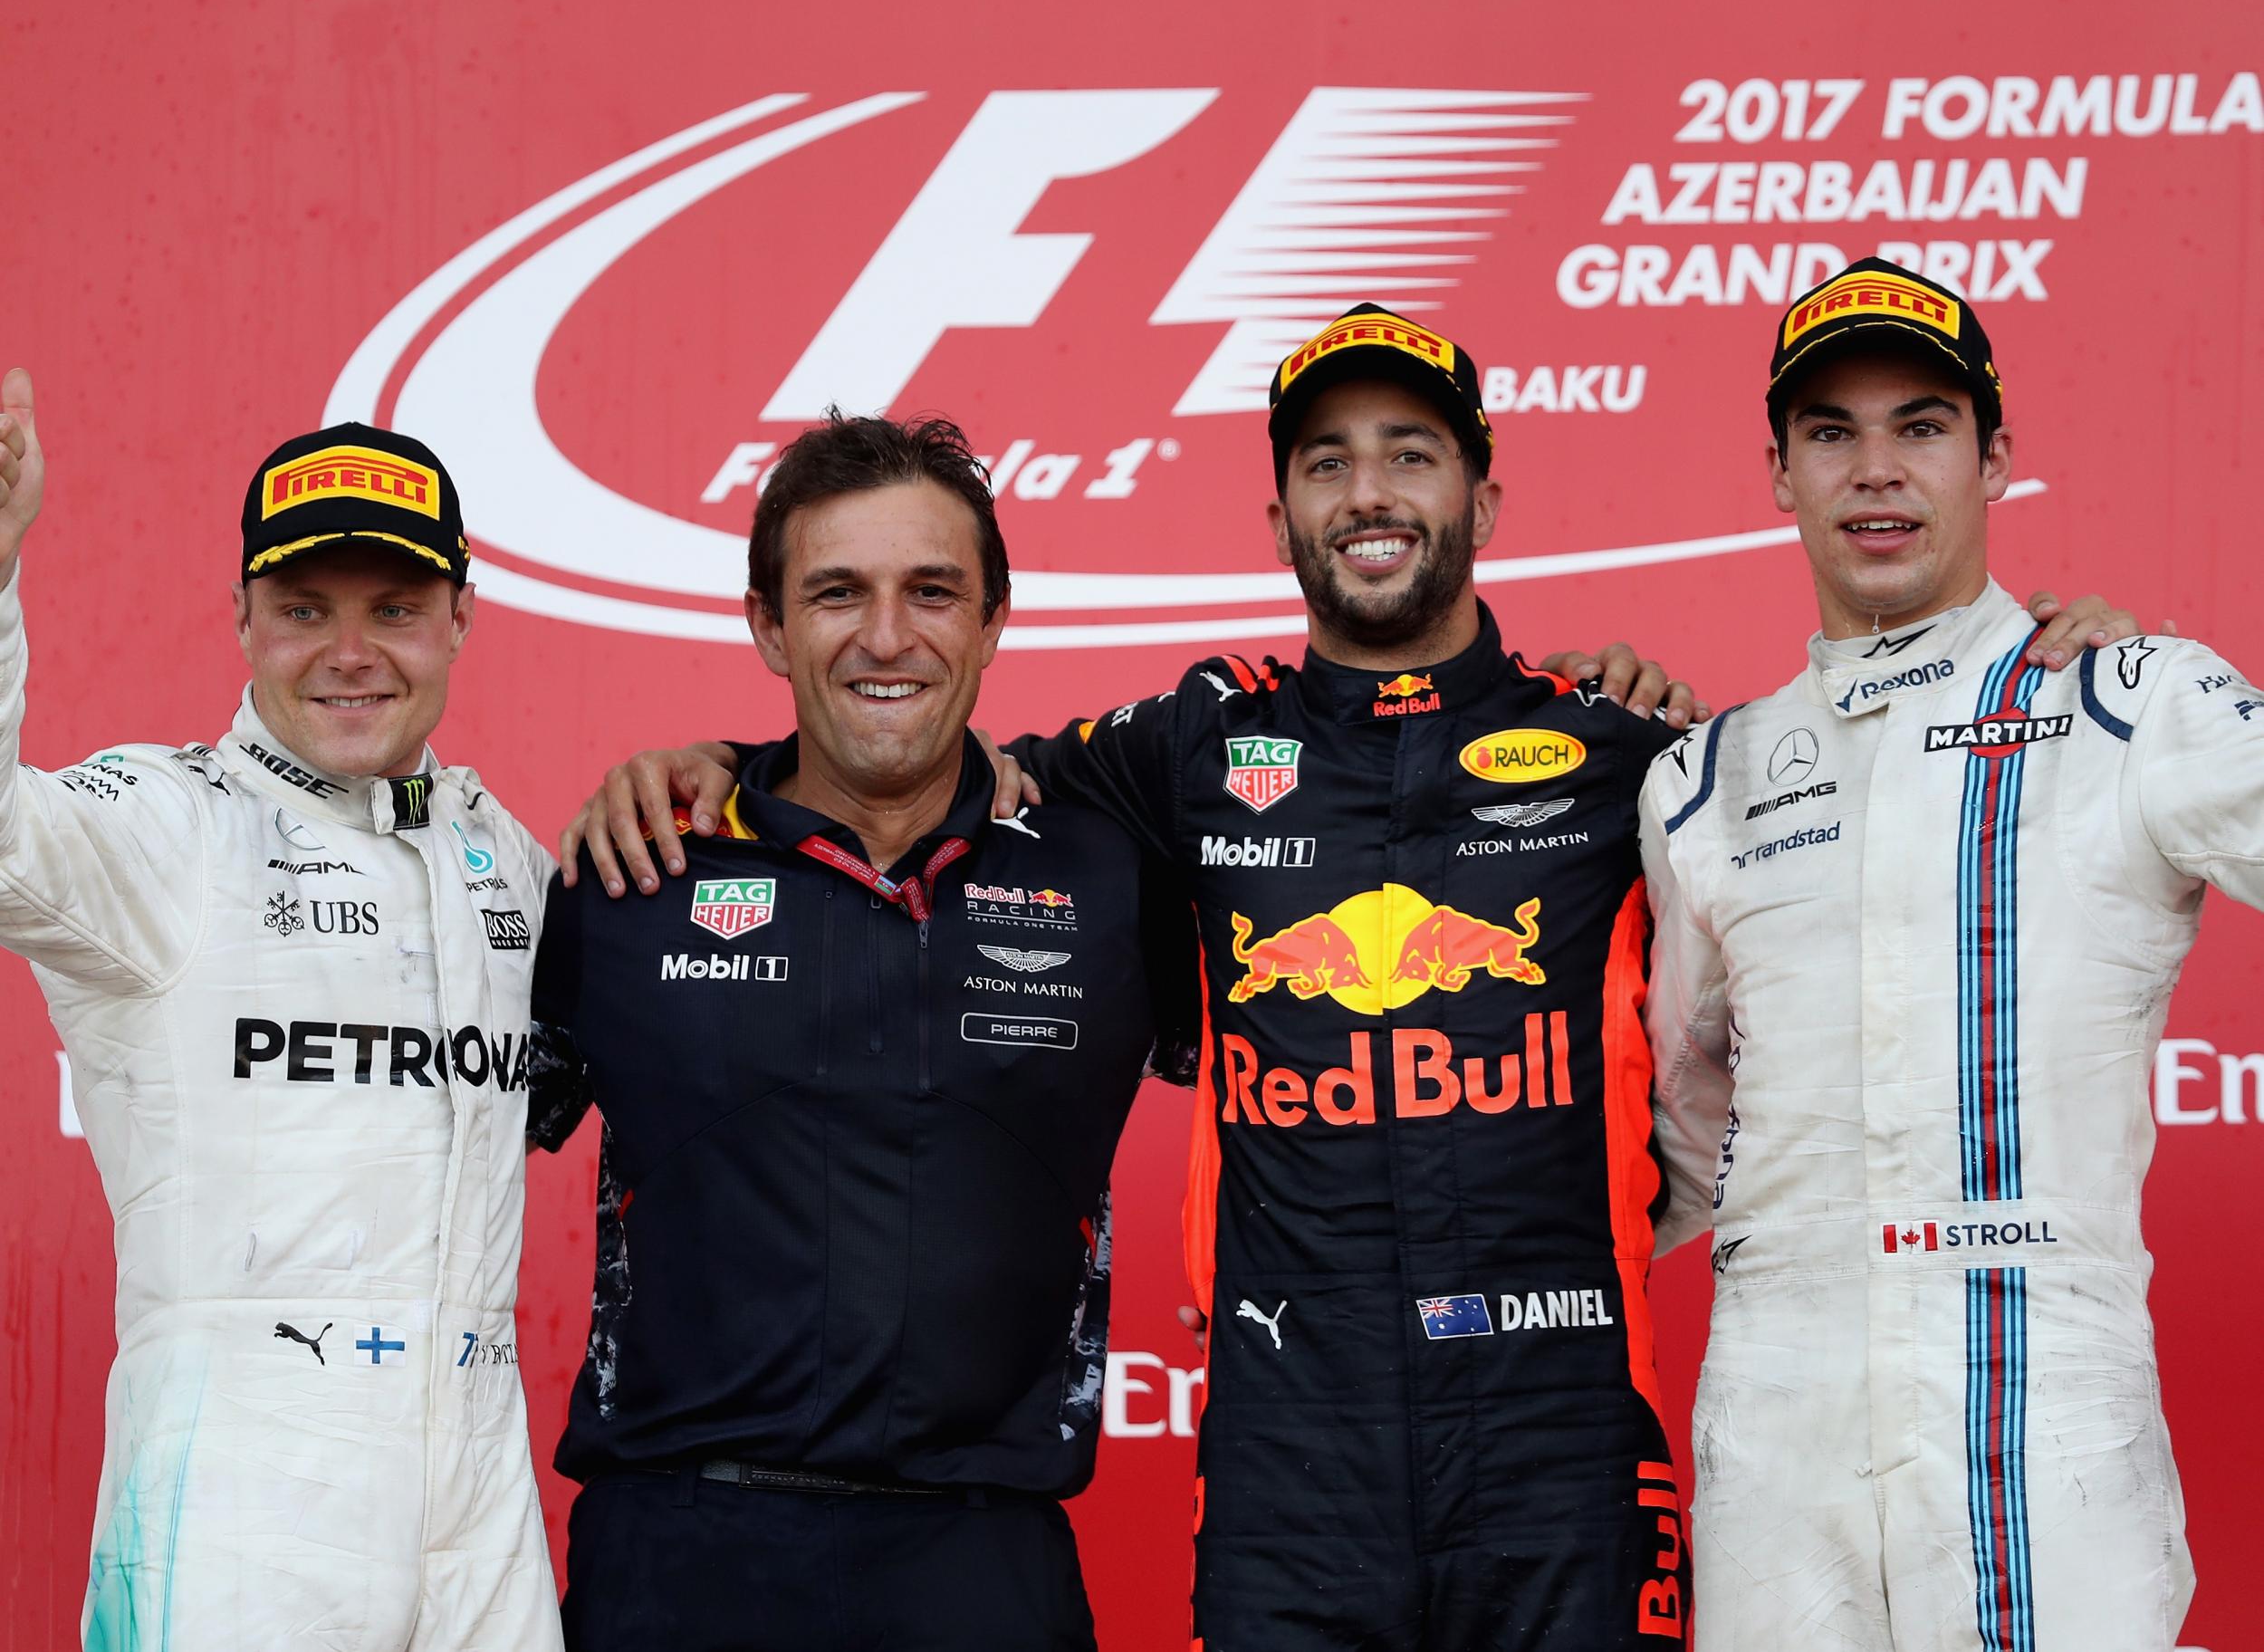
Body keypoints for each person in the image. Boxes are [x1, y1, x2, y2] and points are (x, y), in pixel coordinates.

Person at [566, 304, 2129, 1650]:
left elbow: (1838, 911)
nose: (1369, 492)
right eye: (1327, 462)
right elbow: (906, 778)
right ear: (1278, 521)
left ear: (1485, 499)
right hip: (1290, 1444)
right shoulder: (1173, 753)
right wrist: (722, 769)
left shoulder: (1636, 753)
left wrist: (2045, 665)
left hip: (1563, 1435)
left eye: (1410, 453)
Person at [1638, 256, 2250, 1651]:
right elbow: (1679, 1121)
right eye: (1831, 432)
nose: (1878, 470)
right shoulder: (1702, 776)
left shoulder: (2129, 698)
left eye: (1921, 425)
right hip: (1775, 1397)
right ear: (1780, 472)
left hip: (2045, 1377)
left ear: (1997, 457)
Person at [525, 410, 1194, 1652]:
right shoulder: (630, 868)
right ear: (769, 625)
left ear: (994, 618)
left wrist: (1593, 729)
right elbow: (418, 1149)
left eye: (931, 591)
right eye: (837, 593)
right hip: (677, 1560)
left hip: (986, 1565)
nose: (887, 637)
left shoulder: (1115, 876)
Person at [0, 376, 561, 1650]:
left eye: (397, 610)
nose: (350, 653)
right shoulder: (162, 826)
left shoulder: (505, 860)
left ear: (462, 618)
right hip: (238, 1514)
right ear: (244, 619)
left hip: (480, 1511)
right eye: (304, 609)